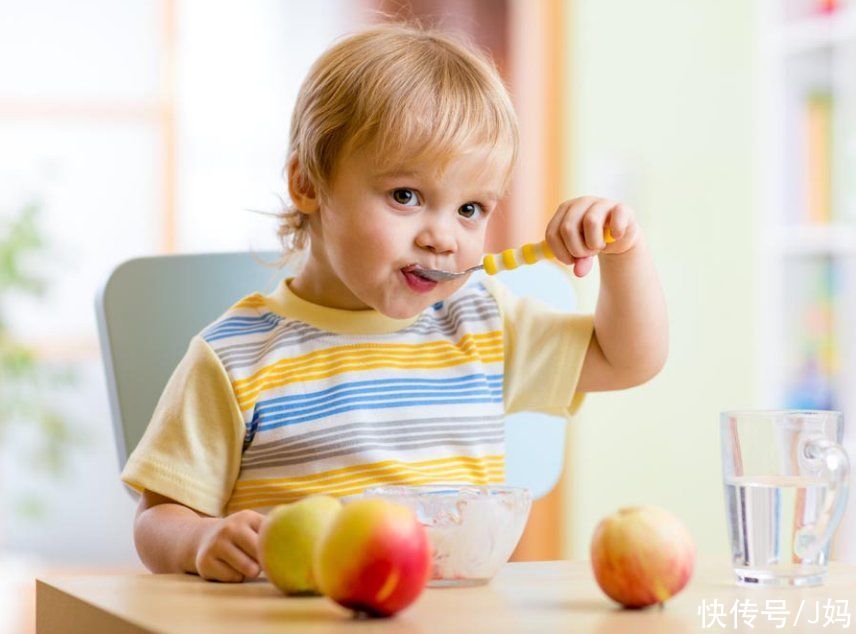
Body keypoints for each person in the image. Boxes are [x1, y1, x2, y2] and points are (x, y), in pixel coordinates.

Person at [121, 23, 668, 583]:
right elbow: (157, 519)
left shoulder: (481, 322)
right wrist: (199, 540)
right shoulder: (235, 356)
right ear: (307, 184)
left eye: (471, 209)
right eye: (406, 196)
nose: (444, 237)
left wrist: (624, 254)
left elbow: (628, 358)